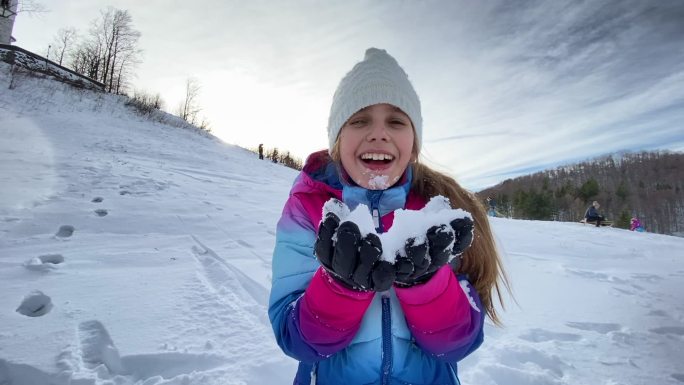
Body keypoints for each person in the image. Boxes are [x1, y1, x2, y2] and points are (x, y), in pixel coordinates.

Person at [268, 48, 508, 385]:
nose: (379, 133)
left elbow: (458, 344)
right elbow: (294, 338)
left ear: (413, 142)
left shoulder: (440, 212)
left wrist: (427, 286)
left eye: (396, 121)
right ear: (337, 141)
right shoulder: (308, 209)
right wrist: (340, 287)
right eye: (359, 119)